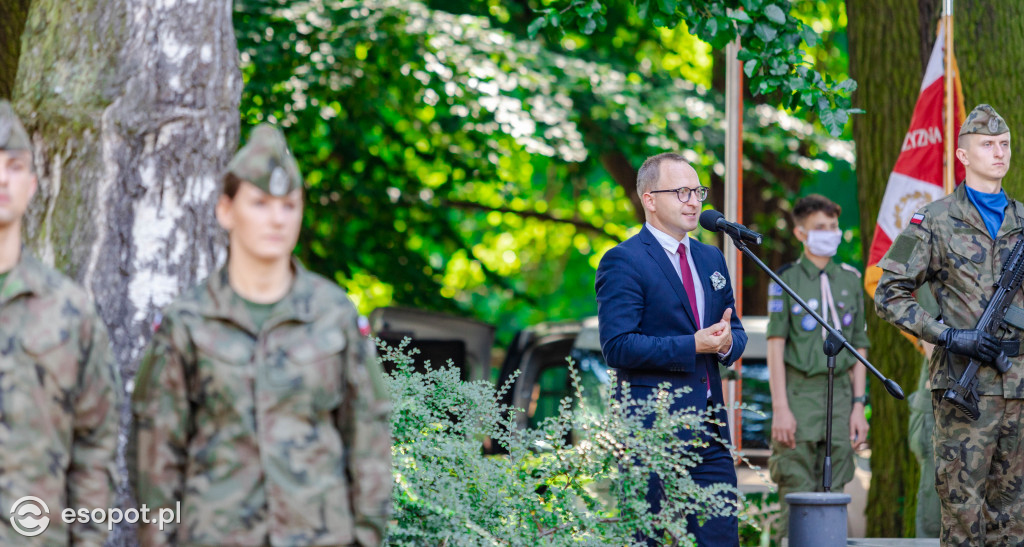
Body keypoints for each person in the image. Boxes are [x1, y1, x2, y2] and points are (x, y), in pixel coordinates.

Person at [130, 124, 392, 546]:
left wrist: (365, 535)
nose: (277, 219)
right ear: (225, 210)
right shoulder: (189, 321)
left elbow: (368, 439)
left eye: (289, 206)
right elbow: (157, 454)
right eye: (261, 203)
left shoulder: (333, 315)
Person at [875, 104, 1024, 545]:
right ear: (962, 155)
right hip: (964, 387)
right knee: (962, 516)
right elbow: (889, 294)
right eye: (987, 145)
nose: (999, 153)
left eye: (1004, 145)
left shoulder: (1023, 220)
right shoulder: (933, 220)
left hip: (1018, 386)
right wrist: (948, 334)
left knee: (1014, 518)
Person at [595, 152, 747, 546]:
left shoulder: (711, 256)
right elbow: (618, 346)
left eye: (698, 191)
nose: (694, 201)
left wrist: (728, 342)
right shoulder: (623, 261)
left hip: (710, 430)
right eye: (682, 192)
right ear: (649, 199)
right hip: (652, 431)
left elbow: (736, 328)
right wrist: (693, 345)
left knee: (720, 537)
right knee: (647, 538)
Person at [0, 101, 121, 544]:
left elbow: (93, 447)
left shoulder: (69, 311)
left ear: (32, 184)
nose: (2, 179)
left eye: (14, 167)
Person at [765, 194, 870, 541]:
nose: (830, 233)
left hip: (840, 396)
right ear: (800, 233)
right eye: (820, 228)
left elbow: (859, 347)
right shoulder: (786, 279)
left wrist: (859, 406)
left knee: (834, 489)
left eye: (833, 227)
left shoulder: (850, 279)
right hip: (799, 393)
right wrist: (780, 408)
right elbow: (775, 345)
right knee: (795, 490)